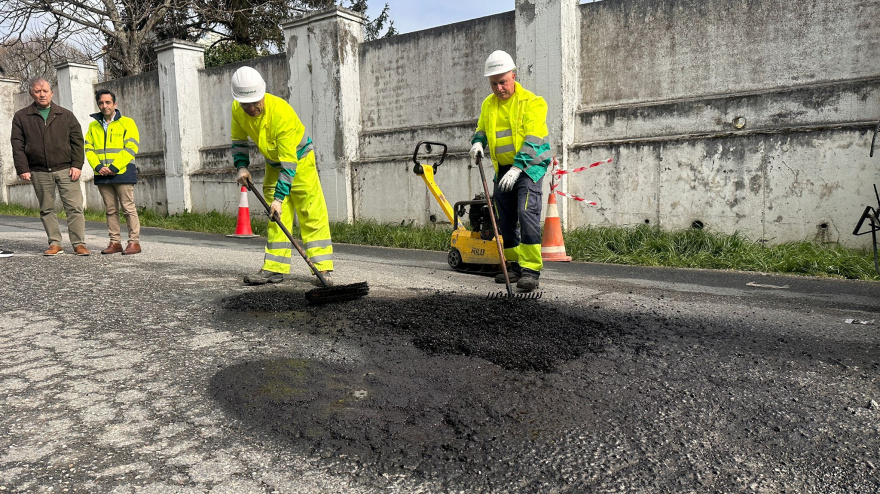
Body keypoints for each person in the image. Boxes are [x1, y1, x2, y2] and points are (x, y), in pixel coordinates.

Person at [229, 66, 334, 286]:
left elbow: (289, 163)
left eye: (255, 102)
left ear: (262, 94)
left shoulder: (281, 113)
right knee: (275, 216)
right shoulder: (237, 110)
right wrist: (241, 167)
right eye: (245, 104)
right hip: (273, 163)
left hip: (300, 160)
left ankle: (322, 268)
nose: (251, 108)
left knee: (310, 211)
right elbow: (239, 142)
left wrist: (279, 199)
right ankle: (274, 269)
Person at [469, 50, 551, 292]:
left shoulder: (532, 102)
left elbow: (534, 138)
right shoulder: (488, 104)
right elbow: (482, 129)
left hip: (529, 167)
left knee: (526, 214)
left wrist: (518, 167)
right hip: (503, 168)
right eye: (493, 83)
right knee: (504, 219)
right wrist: (477, 142)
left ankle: (531, 270)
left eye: (503, 82)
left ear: (513, 76)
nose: (499, 88)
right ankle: (514, 265)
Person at [11, 78, 89, 256]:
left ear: (52, 93)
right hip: (39, 170)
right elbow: (17, 144)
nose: (42, 94)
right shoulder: (21, 117)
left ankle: (79, 244)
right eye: (37, 91)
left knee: (74, 207)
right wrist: (22, 168)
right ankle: (55, 243)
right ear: (32, 94)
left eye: (45, 90)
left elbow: (77, 142)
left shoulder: (66, 115)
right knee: (46, 208)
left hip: (66, 169)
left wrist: (77, 165)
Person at [84, 89, 142, 255]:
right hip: (101, 173)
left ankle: (134, 243)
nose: (104, 106)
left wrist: (114, 167)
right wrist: (98, 167)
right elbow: (88, 148)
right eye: (101, 103)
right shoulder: (93, 126)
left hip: (122, 172)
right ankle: (115, 242)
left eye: (108, 102)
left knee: (128, 209)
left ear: (115, 104)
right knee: (110, 210)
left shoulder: (128, 123)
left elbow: (131, 147)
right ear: (98, 105)